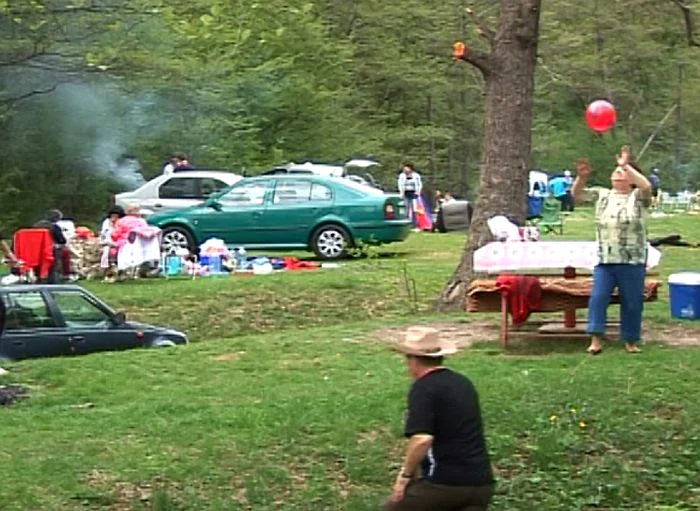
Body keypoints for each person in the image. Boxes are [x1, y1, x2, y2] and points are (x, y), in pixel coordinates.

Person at [383, 326, 494, 511]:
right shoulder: (462, 382)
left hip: (444, 484)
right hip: (481, 483)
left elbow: (422, 440)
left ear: (413, 360)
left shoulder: (424, 387)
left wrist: (404, 478)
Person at [571, 147, 652, 355]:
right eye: (615, 170)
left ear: (631, 178)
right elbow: (577, 195)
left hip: (632, 259)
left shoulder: (639, 197)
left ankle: (630, 340)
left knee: (632, 302)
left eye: (622, 172)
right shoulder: (603, 195)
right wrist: (581, 178)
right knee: (598, 298)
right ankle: (596, 339)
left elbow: (646, 185)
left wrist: (626, 165)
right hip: (606, 259)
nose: (617, 173)